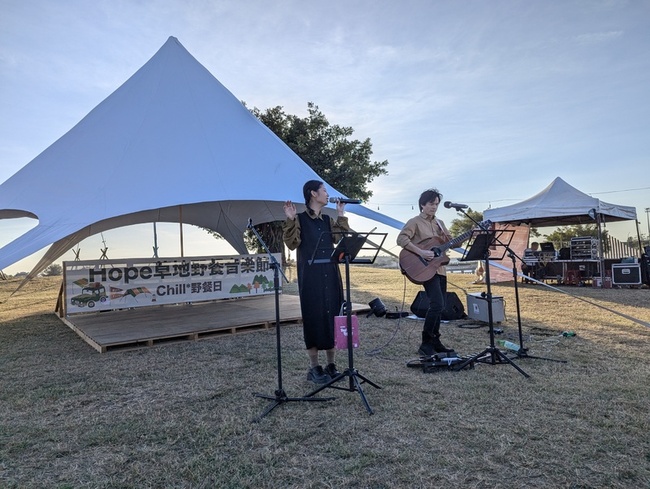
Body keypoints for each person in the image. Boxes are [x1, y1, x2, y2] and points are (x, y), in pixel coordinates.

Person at [282, 180, 351, 384]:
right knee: (314, 317)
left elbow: (339, 239)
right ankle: (314, 368)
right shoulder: (300, 219)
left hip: (331, 272)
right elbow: (292, 244)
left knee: (333, 315)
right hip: (310, 276)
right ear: (313, 193)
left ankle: (331, 365)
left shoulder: (328, 219)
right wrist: (290, 220)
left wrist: (341, 215)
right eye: (324, 190)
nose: (327, 194)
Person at [397, 188, 454, 357]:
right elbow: (401, 239)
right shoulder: (414, 221)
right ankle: (426, 342)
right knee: (436, 304)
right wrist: (421, 252)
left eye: (436, 204)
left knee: (441, 306)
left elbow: (451, 243)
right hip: (424, 268)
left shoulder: (440, 224)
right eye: (431, 203)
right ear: (422, 204)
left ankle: (435, 341)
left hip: (440, 268)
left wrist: (469, 234)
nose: (434, 207)